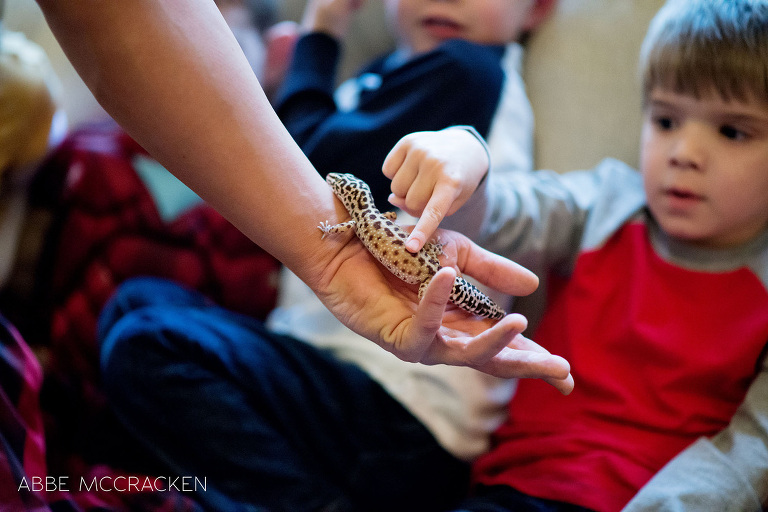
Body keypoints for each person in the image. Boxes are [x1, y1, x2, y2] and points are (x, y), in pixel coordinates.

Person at [32, 0, 571, 382]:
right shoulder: (387, 77)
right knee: (138, 315)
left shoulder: (464, 67)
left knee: (144, 337)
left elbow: (308, 157)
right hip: (332, 349)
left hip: (391, 388)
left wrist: (321, 34)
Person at [383, 0, 768, 510]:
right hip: (513, 487)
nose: (683, 153)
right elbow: (510, 212)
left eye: (732, 131)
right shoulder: (605, 204)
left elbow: (751, 451)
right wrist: (468, 164)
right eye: (666, 120)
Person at [274, 0, 556, 208]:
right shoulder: (384, 70)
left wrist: (320, 33)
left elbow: (297, 170)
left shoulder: (464, 70)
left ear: (537, 8)